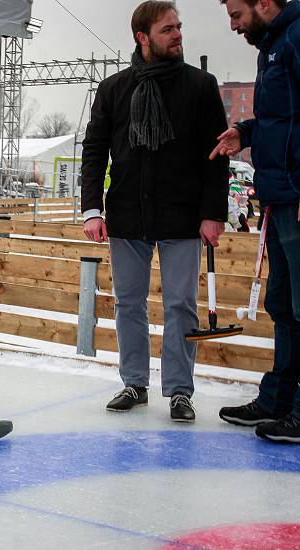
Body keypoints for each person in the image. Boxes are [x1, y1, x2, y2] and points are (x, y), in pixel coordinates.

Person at [81, 1, 229, 422]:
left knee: (181, 305)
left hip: (183, 216)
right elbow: (94, 152)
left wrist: (213, 212)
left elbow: (216, 156)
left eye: (179, 27)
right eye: (168, 29)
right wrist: (92, 208)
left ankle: (180, 390)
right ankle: (134, 383)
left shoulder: (201, 86)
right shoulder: (114, 89)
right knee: (129, 303)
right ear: (143, 38)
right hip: (128, 214)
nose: (178, 35)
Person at [214, 0, 300, 444]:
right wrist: (245, 133)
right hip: (281, 196)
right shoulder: (272, 45)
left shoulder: (296, 37)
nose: (233, 26)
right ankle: (278, 402)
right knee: (283, 306)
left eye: (236, 15)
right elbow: (280, 118)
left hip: (296, 195)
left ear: (264, 3)